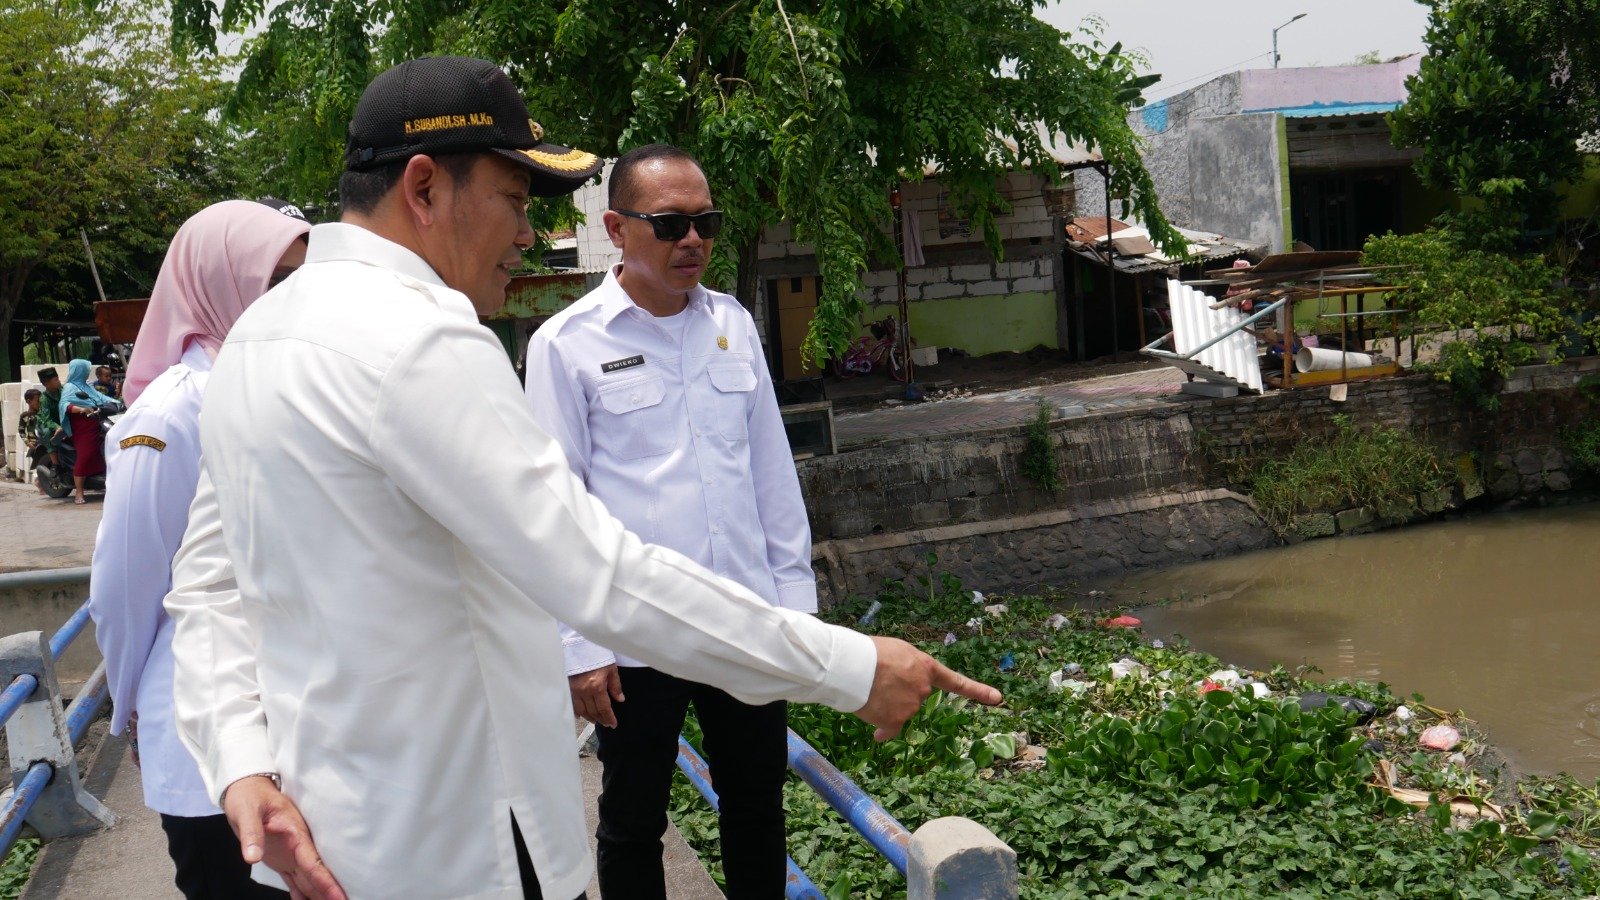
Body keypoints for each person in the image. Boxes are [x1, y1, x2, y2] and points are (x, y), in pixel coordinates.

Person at [164, 55, 1000, 900]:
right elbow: (594, 569)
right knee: (634, 817)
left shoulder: (260, 338)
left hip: (330, 842)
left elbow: (207, 588)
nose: (527, 235)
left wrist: (239, 760)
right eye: (516, 202)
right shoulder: (424, 341)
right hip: (475, 844)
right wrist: (849, 667)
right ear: (425, 188)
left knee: (753, 808)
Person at [524, 144, 801, 899]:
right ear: (616, 227)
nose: (693, 242)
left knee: (756, 806)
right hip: (635, 633)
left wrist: (795, 613)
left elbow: (771, 474)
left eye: (706, 222)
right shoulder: (567, 345)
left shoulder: (734, 324)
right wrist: (579, 646)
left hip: (742, 617)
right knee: (632, 818)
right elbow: (557, 505)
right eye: (671, 224)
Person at [89, 200, 310, 900]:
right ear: (218, 284)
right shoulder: (172, 412)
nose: (293, 303)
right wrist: (125, 702)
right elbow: (127, 587)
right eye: (274, 282)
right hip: (201, 716)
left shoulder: (292, 388)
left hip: (302, 711)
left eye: (303, 281)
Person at [57, 358, 119, 504]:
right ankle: (79, 492)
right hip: (82, 425)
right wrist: (81, 409)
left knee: (100, 451)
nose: (87, 373)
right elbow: (64, 405)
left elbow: (101, 398)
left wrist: (118, 402)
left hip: (96, 422)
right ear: (79, 370)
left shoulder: (86, 386)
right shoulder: (70, 387)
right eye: (85, 370)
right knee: (85, 456)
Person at [35, 367, 64, 468]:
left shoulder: (63, 391)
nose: (59, 381)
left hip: (61, 421)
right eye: (55, 380)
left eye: (58, 378)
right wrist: (56, 427)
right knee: (47, 432)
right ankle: (55, 464)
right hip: (46, 422)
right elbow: (47, 419)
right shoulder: (44, 399)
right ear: (46, 384)